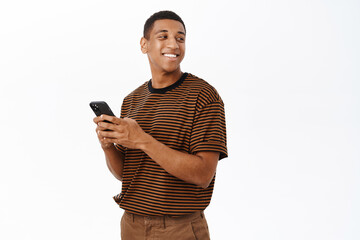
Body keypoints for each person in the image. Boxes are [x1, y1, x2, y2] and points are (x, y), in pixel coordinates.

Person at [93, 10, 227, 240]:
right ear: (144, 44)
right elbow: (126, 174)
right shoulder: (132, 99)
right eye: (163, 36)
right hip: (131, 224)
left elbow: (203, 174)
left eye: (180, 38)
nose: (174, 44)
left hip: (179, 229)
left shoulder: (204, 96)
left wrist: (142, 140)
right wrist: (108, 146)